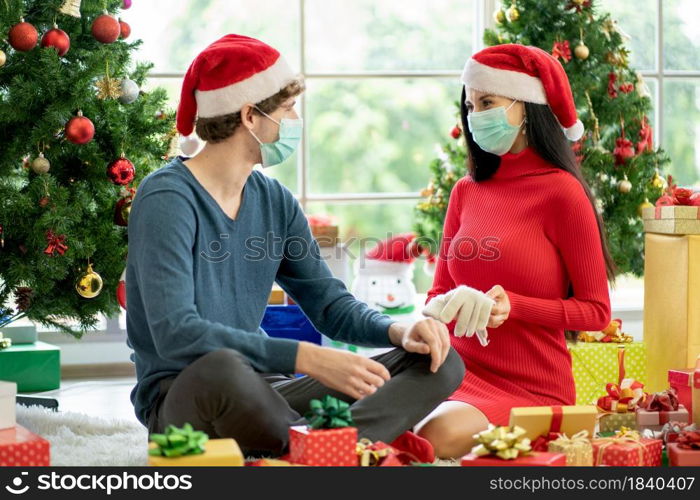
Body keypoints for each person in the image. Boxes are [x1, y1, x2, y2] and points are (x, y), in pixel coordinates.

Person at [125, 34, 464, 457]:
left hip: (267, 389)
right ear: (250, 115)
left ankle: (319, 450)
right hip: (188, 394)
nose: (296, 120)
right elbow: (177, 334)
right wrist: (305, 357)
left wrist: (398, 329)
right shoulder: (167, 198)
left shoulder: (274, 201)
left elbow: (329, 305)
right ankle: (337, 444)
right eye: (288, 109)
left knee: (438, 360)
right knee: (224, 368)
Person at [414, 44, 614, 458]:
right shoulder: (465, 192)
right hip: (453, 371)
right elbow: (435, 296)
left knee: (435, 437)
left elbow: (595, 311)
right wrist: (447, 303)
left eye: (487, 102)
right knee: (367, 413)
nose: (474, 116)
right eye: (470, 105)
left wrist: (514, 307)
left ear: (527, 107)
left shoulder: (562, 193)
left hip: (530, 385)